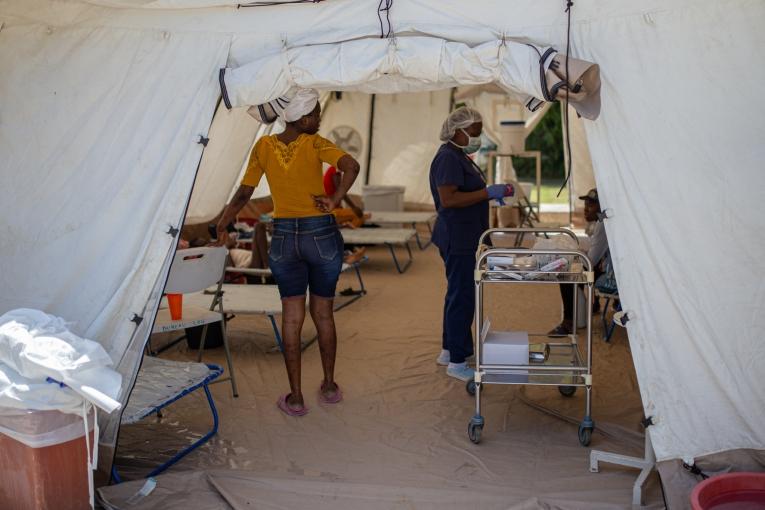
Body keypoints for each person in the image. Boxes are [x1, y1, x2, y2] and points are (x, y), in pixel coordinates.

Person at [215, 88, 361, 416]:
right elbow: (351, 165)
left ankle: (295, 397)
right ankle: (328, 385)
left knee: (292, 316)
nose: (320, 120)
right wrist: (336, 199)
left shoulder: (264, 146)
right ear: (305, 118)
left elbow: (244, 192)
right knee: (323, 313)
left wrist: (222, 224)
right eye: (318, 116)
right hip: (320, 235)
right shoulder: (315, 143)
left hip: (283, 238)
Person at [429, 107, 514, 382]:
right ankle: (457, 361)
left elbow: (466, 192)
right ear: (457, 132)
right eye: (474, 133)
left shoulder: (458, 156)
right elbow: (449, 200)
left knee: (457, 293)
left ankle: (450, 350)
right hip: (458, 236)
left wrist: (487, 195)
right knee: (462, 297)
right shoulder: (448, 158)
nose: (478, 138)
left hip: (464, 234)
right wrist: (487, 193)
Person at [548, 188, 609, 335]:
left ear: (602, 207)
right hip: (612, 268)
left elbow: (590, 261)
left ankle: (569, 322)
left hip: (611, 276)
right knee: (575, 264)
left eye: (591, 205)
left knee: (566, 274)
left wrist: (570, 259)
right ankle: (592, 306)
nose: (585, 209)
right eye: (586, 204)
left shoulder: (602, 224)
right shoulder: (602, 221)